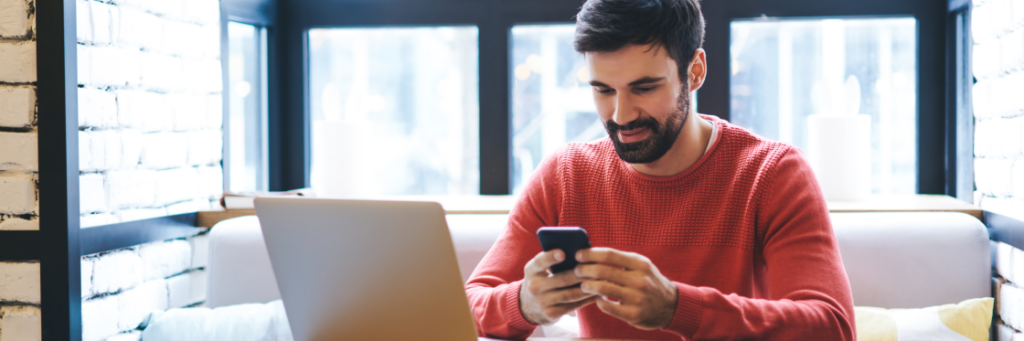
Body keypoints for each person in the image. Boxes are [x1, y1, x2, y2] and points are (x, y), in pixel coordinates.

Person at [464, 0, 856, 340]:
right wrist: (525, 304)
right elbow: (469, 303)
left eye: (645, 87)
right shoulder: (567, 174)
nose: (621, 115)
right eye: (603, 90)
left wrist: (676, 308)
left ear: (695, 71)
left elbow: (832, 327)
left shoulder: (773, 174)